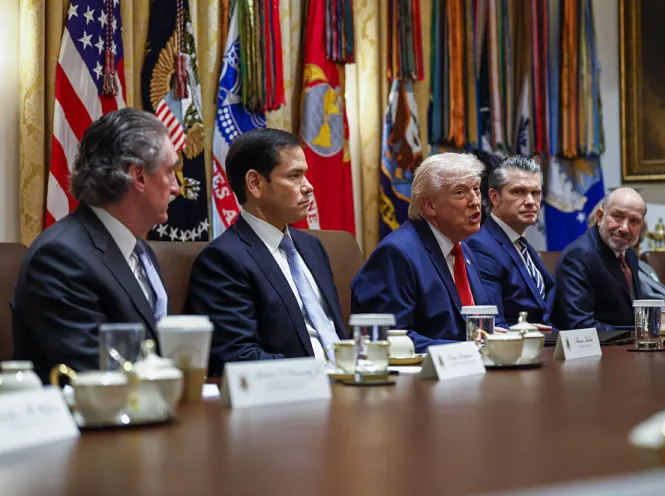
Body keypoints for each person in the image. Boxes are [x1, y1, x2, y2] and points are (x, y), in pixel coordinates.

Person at [12, 108, 178, 377]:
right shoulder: (60, 257)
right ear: (138, 176)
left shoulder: (141, 251)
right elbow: (95, 372)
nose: (176, 188)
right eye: (170, 172)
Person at [186, 128, 347, 377]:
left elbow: (335, 331)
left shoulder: (313, 248)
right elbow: (237, 355)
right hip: (292, 397)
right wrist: (317, 374)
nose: (309, 187)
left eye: (305, 175)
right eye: (295, 176)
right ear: (255, 183)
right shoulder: (223, 260)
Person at [351, 153, 489, 352]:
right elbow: (390, 338)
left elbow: (479, 322)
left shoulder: (462, 249)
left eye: (476, 190)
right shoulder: (397, 254)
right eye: (460, 192)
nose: (475, 201)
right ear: (429, 205)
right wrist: (467, 349)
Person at [465, 156, 555, 328]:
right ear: (494, 197)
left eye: (535, 193)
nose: (530, 202)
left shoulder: (521, 243)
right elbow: (492, 325)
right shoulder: (481, 246)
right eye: (518, 192)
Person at [553, 188, 646, 330]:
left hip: (624, 346)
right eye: (618, 216)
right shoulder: (578, 256)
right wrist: (637, 332)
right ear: (600, 217)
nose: (624, 228)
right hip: (593, 349)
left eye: (634, 221)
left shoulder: (629, 254)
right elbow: (580, 325)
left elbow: (630, 314)